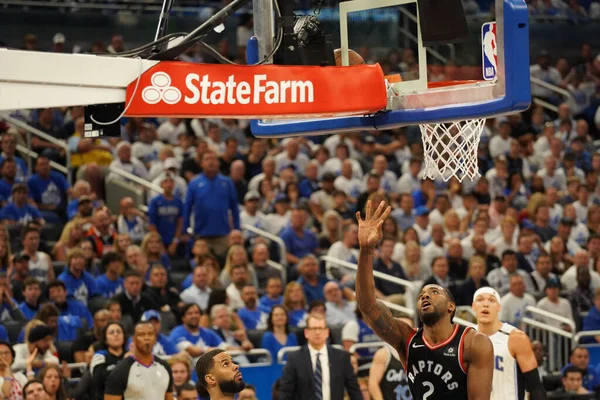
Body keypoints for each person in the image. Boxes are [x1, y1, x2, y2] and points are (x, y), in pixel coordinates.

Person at [354, 200, 494, 400]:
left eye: (434, 292)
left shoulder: (473, 343)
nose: (425, 296)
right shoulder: (407, 339)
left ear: (451, 307)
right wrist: (366, 251)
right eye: (421, 296)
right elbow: (367, 306)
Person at [472, 287, 547, 400]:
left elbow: (535, 385)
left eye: (491, 300)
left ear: (499, 307)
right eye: (480, 299)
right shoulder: (465, 337)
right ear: (473, 306)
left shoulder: (516, 337)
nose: (485, 304)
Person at [279, 313, 362, 400]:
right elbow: (286, 392)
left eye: (320, 328)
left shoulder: (341, 357)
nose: (317, 332)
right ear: (306, 332)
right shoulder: (295, 359)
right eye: (314, 328)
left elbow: (354, 390)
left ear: (327, 332)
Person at [104, 321, 174, 400]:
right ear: (133, 339)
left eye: (150, 334)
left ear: (155, 338)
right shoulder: (121, 371)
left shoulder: (165, 367)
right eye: (142, 334)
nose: (147, 338)